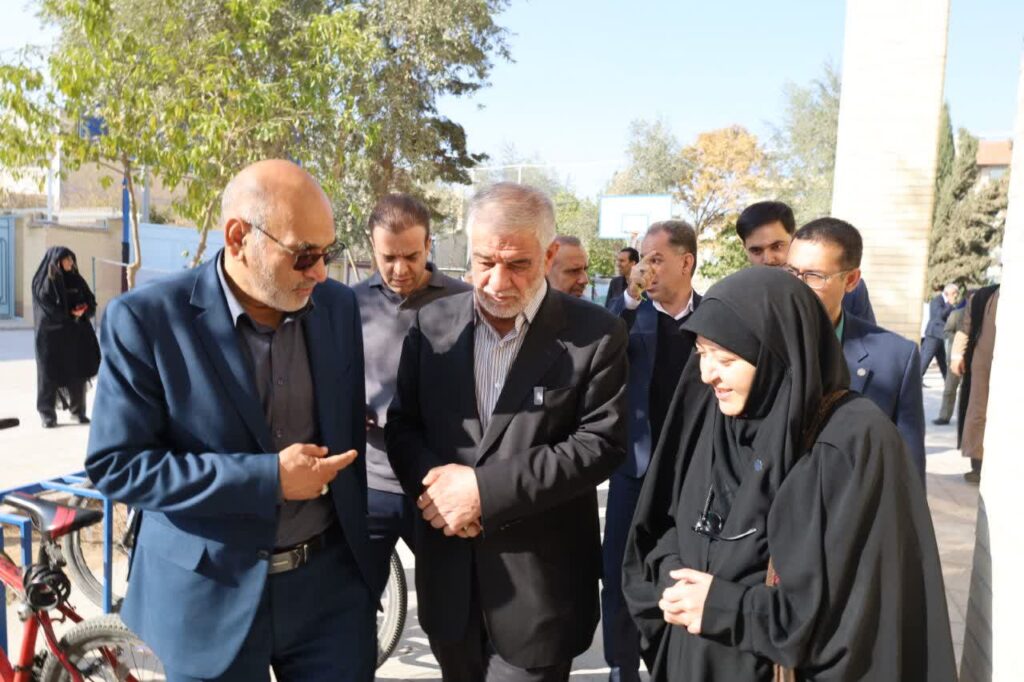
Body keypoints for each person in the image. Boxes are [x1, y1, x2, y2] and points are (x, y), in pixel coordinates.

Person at [85, 160, 376, 682]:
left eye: (327, 253)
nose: (320, 273)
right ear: (239, 237)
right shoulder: (147, 320)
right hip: (205, 601)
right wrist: (269, 479)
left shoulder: (337, 307)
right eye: (304, 255)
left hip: (329, 597)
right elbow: (118, 465)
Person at [622, 267, 957, 682]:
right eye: (701, 353)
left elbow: (853, 613)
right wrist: (673, 579)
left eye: (726, 359)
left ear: (778, 353)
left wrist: (725, 607)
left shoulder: (852, 442)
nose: (708, 374)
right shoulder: (710, 411)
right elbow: (663, 525)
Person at [386, 182, 628, 682]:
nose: (498, 282)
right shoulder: (431, 325)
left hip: (539, 597)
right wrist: (440, 494)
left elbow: (599, 444)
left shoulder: (595, 334)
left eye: (518, 264)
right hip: (450, 585)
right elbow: (404, 427)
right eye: (484, 262)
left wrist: (482, 493)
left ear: (550, 254)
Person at [352, 193, 471, 594]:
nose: (400, 269)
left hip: (441, 481)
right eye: (388, 257)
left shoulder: (466, 301)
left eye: (411, 256)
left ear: (428, 245)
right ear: (372, 247)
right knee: (356, 602)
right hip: (372, 483)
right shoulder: (349, 304)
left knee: (453, 601)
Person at [603, 220, 701, 682]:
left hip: (694, 474)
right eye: (643, 259)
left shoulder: (713, 317)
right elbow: (602, 342)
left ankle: (671, 664)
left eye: (657, 259)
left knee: (682, 574)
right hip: (635, 471)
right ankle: (621, 667)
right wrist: (629, 296)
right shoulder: (630, 314)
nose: (647, 269)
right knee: (620, 573)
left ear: (687, 262)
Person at [786, 218, 926, 482]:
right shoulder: (756, 343)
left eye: (814, 276)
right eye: (791, 272)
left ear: (851, 280)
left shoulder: (896, 358)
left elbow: (908, 469)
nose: (798, 286)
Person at [736, 200, 875, 322]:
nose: (768, 259)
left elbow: (866, 341)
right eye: (756, 251)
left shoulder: (847, 288)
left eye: (777, 246)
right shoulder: (736, 297)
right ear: (745, 249)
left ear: (795, 238)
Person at [31, 246, 100, 427]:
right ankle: (47, 415)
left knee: (77, 372)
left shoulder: (77, 280)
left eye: (71, 259)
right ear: (56, 262)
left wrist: (84, 310)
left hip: (75, 335)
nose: (71, 262)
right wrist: (70, 314)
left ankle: (78, 412)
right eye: (66, 259)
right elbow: (48, 309)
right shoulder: (43, 283)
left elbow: (90, 301)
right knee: (48, 375)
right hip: (51, 338)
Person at [952, 284, 999, 484]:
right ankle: (978, 465)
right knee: (978, 411)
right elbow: (965, 328)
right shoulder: (984, 296)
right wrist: (957, 355)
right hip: (983, 363)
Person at [934, 297, 965, 425]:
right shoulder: (956, 314)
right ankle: (944, 416)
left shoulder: (982, 314)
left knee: (967, 391)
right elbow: (946, 331)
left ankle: (964, 418)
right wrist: (960, 338)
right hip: (955, 358)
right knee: (949, 390)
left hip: (972, 360)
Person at [921, 283, 959, 379]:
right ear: (949, 293)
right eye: (955, 295)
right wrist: (949, 304)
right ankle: (912, 382)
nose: (955, 298)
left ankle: (948, 384)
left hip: (940, 336)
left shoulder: (947, 304)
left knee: (943, 364)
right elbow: (940, 315)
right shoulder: (937, 301)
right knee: (924, 362)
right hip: (933, 336)